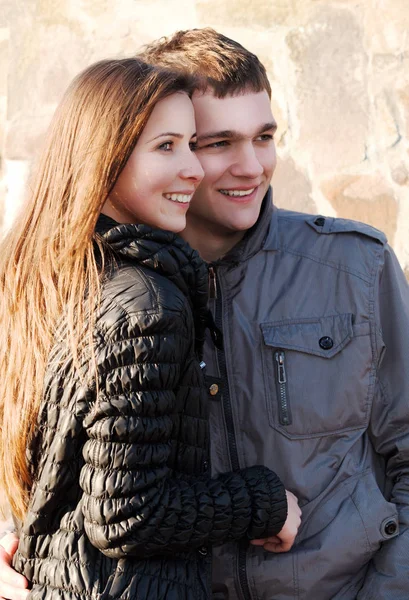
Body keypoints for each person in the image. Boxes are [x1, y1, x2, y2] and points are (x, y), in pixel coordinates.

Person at [1, 26, 408, 599]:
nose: (252, 167)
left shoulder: (355, 268)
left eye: (264, 136)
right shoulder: (82, 285)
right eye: (216, 143)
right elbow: (52, 459)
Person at [0, 56, 301, 600]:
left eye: (191, 144)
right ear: (105, 157)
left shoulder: (46, 277)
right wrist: (264, 502)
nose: (194, 169)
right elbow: (126, 513)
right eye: (167, 147)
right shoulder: (147, 303)